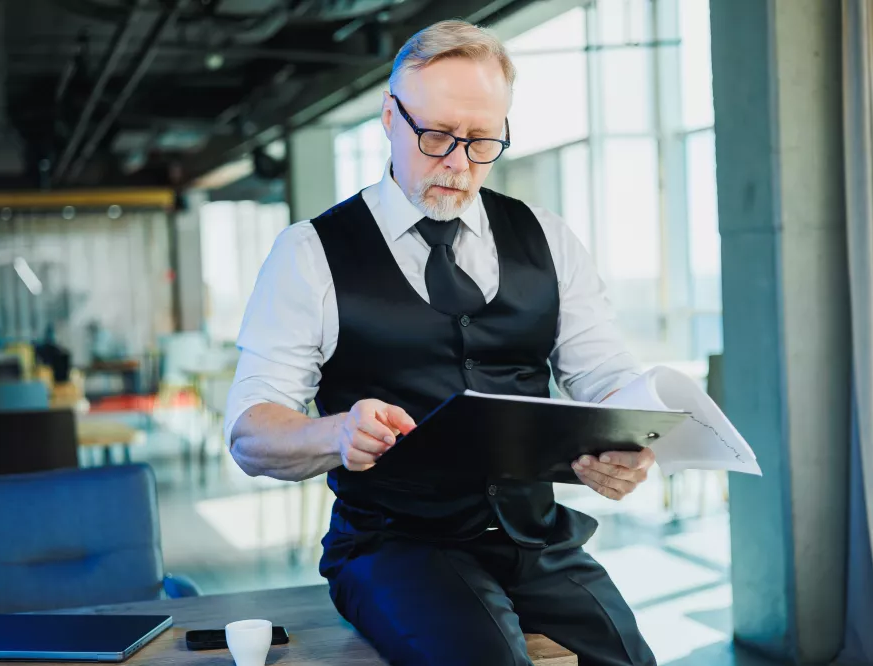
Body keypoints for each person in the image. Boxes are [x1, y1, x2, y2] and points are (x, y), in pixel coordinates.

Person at [225, 19, 657, 666]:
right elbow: (249, 432)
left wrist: (628, 441)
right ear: (389, 117)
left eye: (482, 140)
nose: (457, 163)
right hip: (395, 546)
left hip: (535, 541)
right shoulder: (309, 254)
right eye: (435, 136)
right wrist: (336, 434)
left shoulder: (548, 238)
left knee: (632, 660)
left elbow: (607, 377)